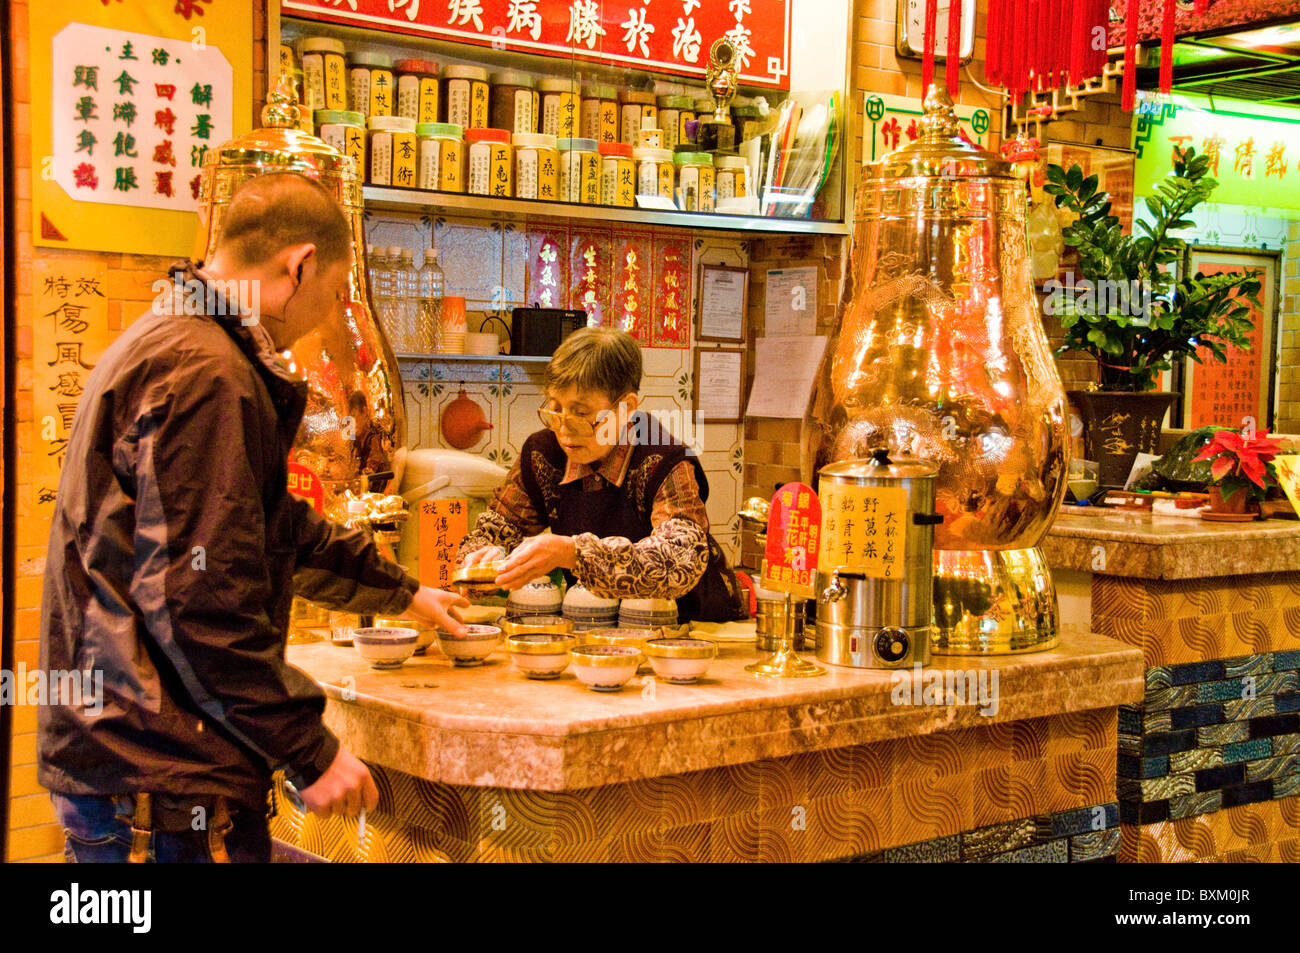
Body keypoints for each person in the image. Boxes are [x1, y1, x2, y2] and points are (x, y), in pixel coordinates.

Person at [39, 172, 468, 863]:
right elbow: (199, 598)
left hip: (130, 753)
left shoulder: (175, 338)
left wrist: (406, 592)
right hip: (157, 766)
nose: (324, 319)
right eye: (331, 296)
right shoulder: (208, 374)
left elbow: (273, 527)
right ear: (297, 266)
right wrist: (311, 752)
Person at [457, 327, 747, 621]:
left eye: (582, 414)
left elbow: (677, 561)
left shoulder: (664, 460)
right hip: (598, 627)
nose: (565, 429)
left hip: (693, 628)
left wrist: (573, 553)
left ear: (626, 407)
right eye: (556, 408)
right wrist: (482, 558)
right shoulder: (542, 454)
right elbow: (497, 527)